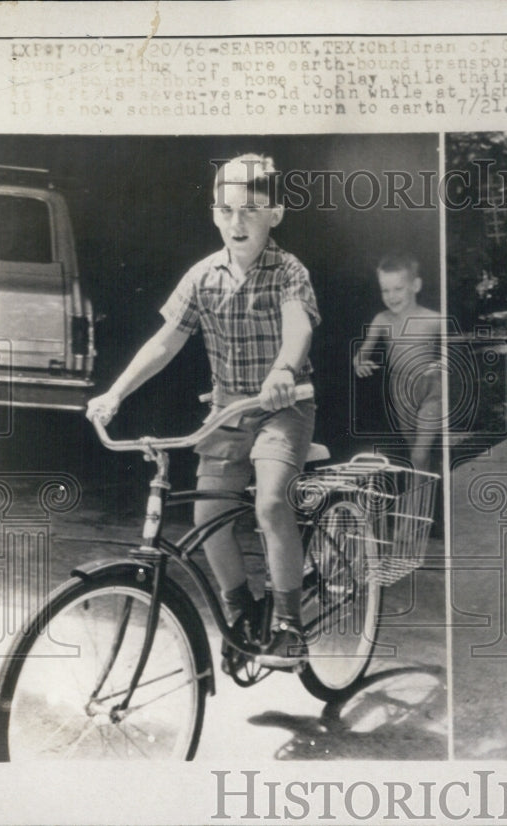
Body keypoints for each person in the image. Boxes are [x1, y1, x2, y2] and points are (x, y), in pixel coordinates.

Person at [86, 153, 319, 665]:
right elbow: (166, 342)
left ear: (275, 214)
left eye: (251, 210)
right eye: (227, 210)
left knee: (271, 503)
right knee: (208, 515)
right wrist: (115, 392)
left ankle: (288, 624)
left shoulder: (288, 271)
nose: (238, 222)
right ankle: (240, 613)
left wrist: (283, 371)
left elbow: (298, 325)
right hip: (225, 411)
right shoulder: (202, 276)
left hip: (284, 407)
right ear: (214, 214)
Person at [353, 252, 443, 472]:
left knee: (419, 453)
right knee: (415, 451)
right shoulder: (382, 320)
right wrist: (360, 364)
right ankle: (431, 488)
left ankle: (417, 500)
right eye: (385, 290)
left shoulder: (434, 319)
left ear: (416, 285)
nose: (391, 296)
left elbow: (455, 351)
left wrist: (441, 364)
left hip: (431, 388)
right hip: (400, 389)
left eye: (398, 289)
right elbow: (361, 355)